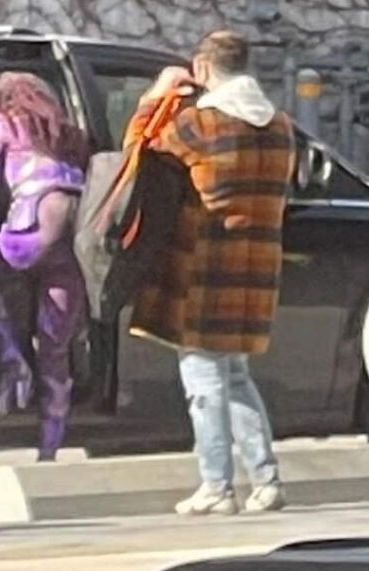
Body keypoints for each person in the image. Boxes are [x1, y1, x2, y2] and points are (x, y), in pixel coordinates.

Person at [124, 31, 296, 515]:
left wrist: (156, 96)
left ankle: (216, 486)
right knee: (235, 374)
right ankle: (266, 480)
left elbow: (136, 156)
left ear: (202, 68)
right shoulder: (281, 125)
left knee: (203, 376)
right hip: (257, 265)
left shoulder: (199, 124)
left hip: (205, 264)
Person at [0, 72, 89, 461]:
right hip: (71, 241)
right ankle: (49, 448)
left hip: (26, 234)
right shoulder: (66, 134)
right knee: (55, 349)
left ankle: (13, 364)